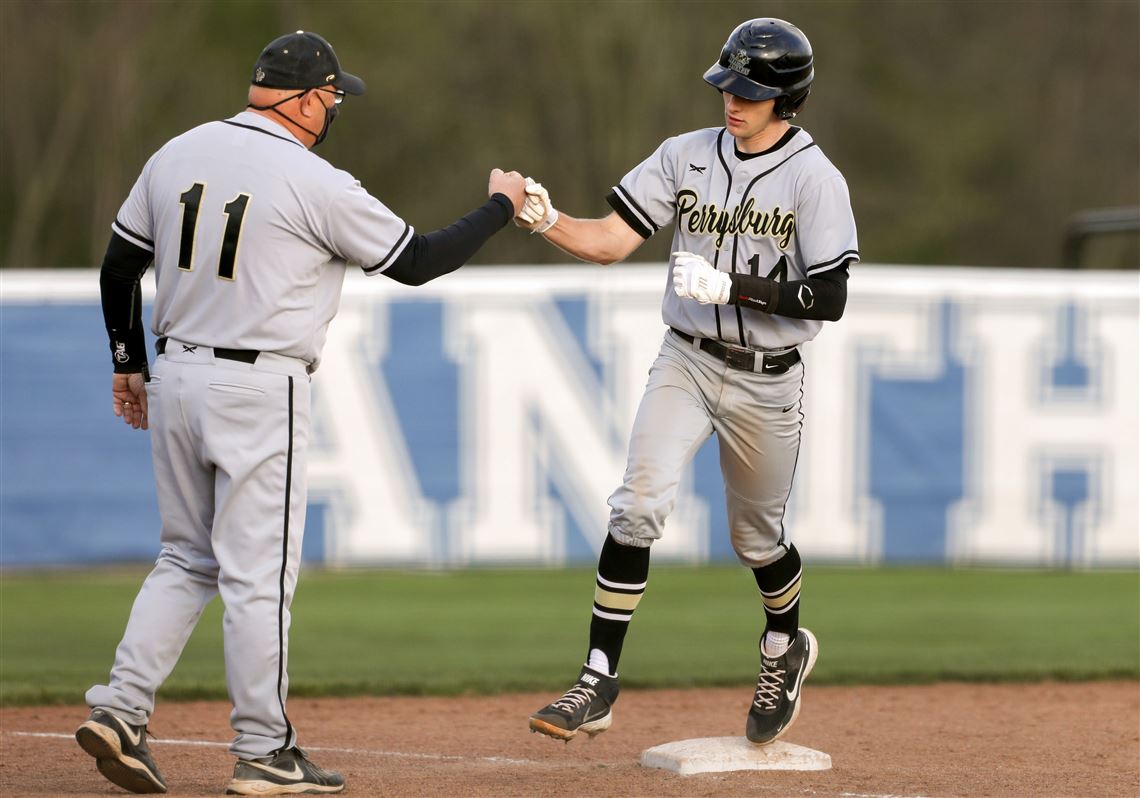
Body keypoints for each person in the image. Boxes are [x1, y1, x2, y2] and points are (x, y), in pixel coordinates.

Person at [78, 31, 525, 795]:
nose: (335, 106)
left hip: (177, 372)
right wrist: (499, 207)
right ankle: (264, 751)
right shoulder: (317, 181)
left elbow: (120, 263)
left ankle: (120, 708)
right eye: (333, 94)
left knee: (185, 557)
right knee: (259, 578)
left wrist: (128, 361)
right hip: (261, 388)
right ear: (308, 96)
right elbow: (416, 261)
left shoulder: (176, 151)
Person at [516, 18, 858, 746]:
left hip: (769, 379)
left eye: (750, 90)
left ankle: (782, 648)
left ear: (787, 97)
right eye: (728, 84)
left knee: (757, 538)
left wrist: (733, 285)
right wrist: (545, 219)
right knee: (637, 505)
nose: (732, 99)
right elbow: (611, 240)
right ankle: (598, 679)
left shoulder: (814, 178)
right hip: (688, 359)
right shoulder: (686, 154)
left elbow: (830, 298)